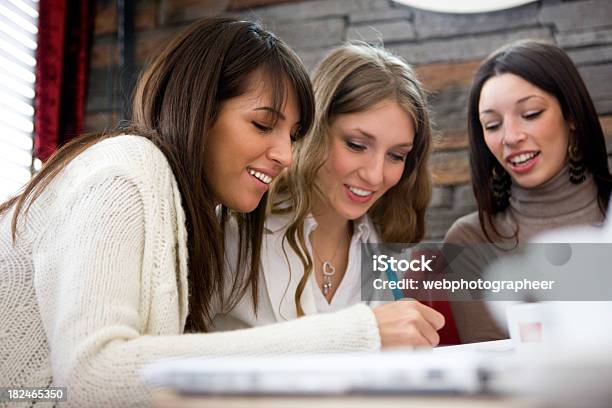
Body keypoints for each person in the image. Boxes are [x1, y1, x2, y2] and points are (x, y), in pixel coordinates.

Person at [0, 17, 382, 407]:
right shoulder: (126, 169)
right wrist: (349, 336)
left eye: (293, 136)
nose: (286, 155)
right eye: (263, 123)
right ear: (198, 106)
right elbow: (93, 377)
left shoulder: (190, 220)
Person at [212, 43, 447, 348]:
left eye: (396, 155)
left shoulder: (383, 247)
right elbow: (182, 358)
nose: (375, 175)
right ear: (313, 131)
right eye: (356, 145)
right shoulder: (232, 231)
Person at [444, 40, 612, 343]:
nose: (510, 137)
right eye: (492, 125)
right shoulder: (470, 239)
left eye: (531, 113)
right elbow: (495, 370)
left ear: (571, 115)